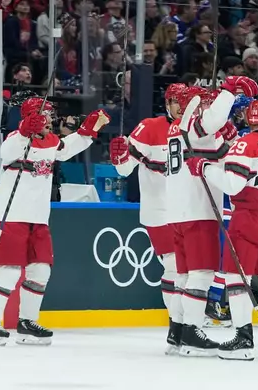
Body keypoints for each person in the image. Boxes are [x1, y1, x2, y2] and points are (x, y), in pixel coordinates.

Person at [0, 97, 110, 346]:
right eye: (46, 115)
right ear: (32, 118)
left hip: (37, 217)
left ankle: (27, 322)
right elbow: (5, 153)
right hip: (11, 214)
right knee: (8, 270)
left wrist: (90, 129)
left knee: (41, 269)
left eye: (50, 115)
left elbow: (68, 147)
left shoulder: (51, 141)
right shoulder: (15, 140)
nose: (51, 120)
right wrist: (24, 131)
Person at [184, 99, 258, 361]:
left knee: (236, 278)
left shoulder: (246, 144)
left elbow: (232, 184)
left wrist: (204, 167)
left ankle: (243, 339)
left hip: (250, 217)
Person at [166, 76, 258, 357]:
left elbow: (225, 155)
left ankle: (177, 332)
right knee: (202, 273)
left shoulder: (178, 129)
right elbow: (214, 120)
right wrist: (229, 91)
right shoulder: (195, 126)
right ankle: (192, 332)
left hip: (177, 211)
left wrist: (230, 136)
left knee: (183, 276)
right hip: (198, 211)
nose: (207, 105)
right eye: (203, 102)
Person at [109, 82, 186, 354]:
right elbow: (123, 169)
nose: (181, 105)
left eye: (185, 100)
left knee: (190, 273)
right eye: (176, 100)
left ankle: (185, 326)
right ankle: (178, 329)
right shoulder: (150, 127)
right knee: (175, 268)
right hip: (161, 212)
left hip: (190, 212)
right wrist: (119, 156)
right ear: (167, 103)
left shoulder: (195, 129)